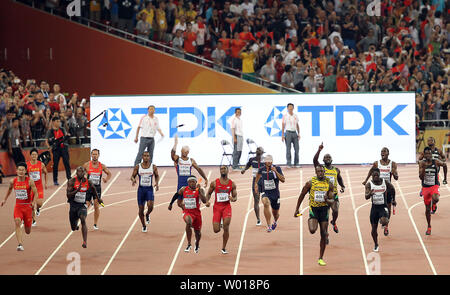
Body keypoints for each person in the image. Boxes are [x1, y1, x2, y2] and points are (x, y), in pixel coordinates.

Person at [294, 165, 334, 266]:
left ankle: (321, 258)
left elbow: (332, 200)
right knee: (312, 230)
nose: (320, 173)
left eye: (322, 171)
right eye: (318, 171)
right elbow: (302, 194)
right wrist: (296, 208)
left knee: (323, 234)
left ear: (324, 172)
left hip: (324, 210)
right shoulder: (310, 183)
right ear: (316, 172)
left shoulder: (329, 184)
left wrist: (326, 200)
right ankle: (312, 220)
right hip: (314, 210)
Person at [0, 162, 38, 251]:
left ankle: (29, 220)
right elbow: (9, 190)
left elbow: (36, 193)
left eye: (22, 170)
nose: (21, 171)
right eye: (19, 170)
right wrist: (4, 199)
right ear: (16, 170)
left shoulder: (30, 181)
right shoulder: (13, 181)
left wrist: (33, 202)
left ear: (25, 171)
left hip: (28, 207)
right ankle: (20, 244)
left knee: (28, 231)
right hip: (18, 207)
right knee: (17, 222)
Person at [362, 147, 398, 236]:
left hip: (387, 189)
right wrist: (366, 180)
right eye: (381, 152)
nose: (382, 153)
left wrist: (394, 173)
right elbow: (371, 171)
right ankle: (378, 216)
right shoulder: (376, 163)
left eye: (384, 152)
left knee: (388, 208)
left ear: (388, 153)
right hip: (378, 187)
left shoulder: (392, 164)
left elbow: (396, 177)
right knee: (377, 204)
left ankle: (386, 226)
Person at [168, 135, 208, 210]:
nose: (186, 152)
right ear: (181, 151)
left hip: (189, 183)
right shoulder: (178, 159)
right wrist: (175, 144)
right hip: (180, 183)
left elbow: (198, 169)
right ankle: (186, 210)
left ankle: (195, 207)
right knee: (179, 203)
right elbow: (172, 155)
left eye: (187, 151)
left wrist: (205, 178)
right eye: (184, 151)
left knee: (193, 198)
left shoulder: (191, 160)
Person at [313, 142, 345, 234]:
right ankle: (326, 234)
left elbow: (339, 178)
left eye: (329, 157)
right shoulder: (321, 168)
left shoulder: (336, 170)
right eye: (326, 157)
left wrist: (342, 186)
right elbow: (315, 160)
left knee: (335, 210)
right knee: (325, 216)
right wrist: (319, 150)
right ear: (323, 160)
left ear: (332, 160)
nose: (327, 158)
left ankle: (334, 222)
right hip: (324, 195)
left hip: (333, 194)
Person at [67, 166, 102, 248]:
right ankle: (76, 226)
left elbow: (94, 190)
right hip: (73, 205)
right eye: (79, 172)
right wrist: (77, 190)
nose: (80, 173)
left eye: (82, 172)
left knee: (83, 219)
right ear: (76, 173)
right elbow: (68, 195)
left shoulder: (88, 182)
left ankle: (85, 241)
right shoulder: (72, 181)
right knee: (73, 227)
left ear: (84, 173)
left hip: (82, 205)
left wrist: (98, 199)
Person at [206, 165, 237, 254]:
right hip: (217, 208)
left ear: (227, 170)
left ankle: (223, 247)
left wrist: (233, 199)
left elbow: (235, 197)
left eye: (224, 169)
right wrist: (206, 202)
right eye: (221, 169)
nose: (222, 170)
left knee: (226, 226)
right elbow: (208, 194)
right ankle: (220, 224)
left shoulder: (232, 184)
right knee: (216, 230)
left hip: (226, 207)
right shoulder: (214, 183)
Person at [364, 168, 395, 252]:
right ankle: (376, 244)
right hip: (374, 208)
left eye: (377, 175)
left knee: (385, 221)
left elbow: (392, 189)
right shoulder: (369, 184)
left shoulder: (385, 182)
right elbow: (366, 197)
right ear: (372, 176)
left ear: (379, 174)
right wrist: (370, 193)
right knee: (374, 229)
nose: (376, 177)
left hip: (383, 207)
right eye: (374, 175)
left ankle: (383, 220)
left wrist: (393, 200)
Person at [419, 147, 447, 235]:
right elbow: (420, 177)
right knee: (427, 210)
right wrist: (424, 168)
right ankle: (429, 226)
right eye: (426, 154)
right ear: (424, 155)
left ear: (431, 154)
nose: (428, 155)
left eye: (429, 153)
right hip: (426, 187)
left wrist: (445, 178)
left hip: (434, 185)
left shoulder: (436, 161)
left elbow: (445, 165)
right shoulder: (421, 163)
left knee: (436, 198)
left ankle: (434, 203)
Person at [254, 155, 285, 232]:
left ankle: (275, 221)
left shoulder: (277, 168)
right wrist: (256, 184)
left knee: (276, 214)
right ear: (265, 161)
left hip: (275, 194)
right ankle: (269, 225)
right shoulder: (262, 169)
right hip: (266, 192)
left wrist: (275, 171)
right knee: (265, 203)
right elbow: (257, 175)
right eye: (267, 160)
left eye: (270, 160)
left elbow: (283, 180)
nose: (269, 162)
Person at [130, 151, 160, 233]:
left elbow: (157, 175)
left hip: (149, 189)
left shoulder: (153, 167)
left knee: (151, 206)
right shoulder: (138, 167)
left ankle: (147, 214)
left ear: (149, 157)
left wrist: (157, 183)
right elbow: (132, 176)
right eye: (145, 156)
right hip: (141, 190)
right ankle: (143, 225)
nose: (146, 157)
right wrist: (133, 180)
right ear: (142, 157)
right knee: (140, 210)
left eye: (148, 156)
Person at [83, 149, 112, 230]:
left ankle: (95, 224)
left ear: (98, 155)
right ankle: (83, 221)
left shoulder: (101, 166)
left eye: (96, 154)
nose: (94, 156)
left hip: (97, 189)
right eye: (93, 154)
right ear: (91, 155)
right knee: (86, 205)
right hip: (88, 188)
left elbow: (109, 173)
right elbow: (79, 173)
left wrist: (106, 179)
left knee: (96, 205)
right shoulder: (87, 165)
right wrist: (83, 178)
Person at [177, 176, 207, 253]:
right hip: (187, 212)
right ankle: (189, 244)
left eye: (194, 181)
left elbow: (204, 201)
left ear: (196, 182)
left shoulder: (200, 190)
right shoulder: (184, 189)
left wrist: (199, 191)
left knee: (198, 233)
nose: (192, 183)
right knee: (188, 222)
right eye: (190, 181)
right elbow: (177, 195)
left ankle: (197, 243)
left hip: (197, 214)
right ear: (188, 183)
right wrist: (179, 204)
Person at [241, 146, 264, 225]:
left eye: (260, 150)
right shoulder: (252, 160)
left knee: (267, 200)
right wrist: (244, 169)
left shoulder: (265, 160)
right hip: (255, 182)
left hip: (264, 181)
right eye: (257, 149)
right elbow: (247, 165)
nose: (258, 150)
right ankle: (258, 219)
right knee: (256, 200)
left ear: (262, 153)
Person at [45, 116, 71, 186]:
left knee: (67, 163)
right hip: (56, 149)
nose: (59, 123)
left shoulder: (62, 129)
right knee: (55, 165)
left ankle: (69, 178)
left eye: (59, 121)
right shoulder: (50, 131)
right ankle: (55, 180)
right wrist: (48, 147)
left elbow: (65, 136)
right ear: (53, 122)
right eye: (57, 121)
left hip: (64, 148)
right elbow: (46, 140)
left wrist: (67, 136)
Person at [27, 148, 48, 226]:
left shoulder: (41, 164)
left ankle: (38, 208)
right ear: (30, 156)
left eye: (35, 154)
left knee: (39, 203)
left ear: (37, 155)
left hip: (39, 187)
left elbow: (46, 173)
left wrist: (46, 183)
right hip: (31, 188)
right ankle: (33, 220)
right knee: (31, 204)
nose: (34, 156)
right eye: (32, 155)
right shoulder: (27, 165)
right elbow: (24, 175)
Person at [281, 103, 300, 168]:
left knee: (297, 149)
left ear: (293, 108)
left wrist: (299, 133)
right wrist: (282, 135)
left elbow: (297, 125)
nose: (290, 108)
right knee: (288, 149)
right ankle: (289, 163)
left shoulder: (295, 116)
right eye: (289, 107)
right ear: (287, 108)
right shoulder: (285, 116)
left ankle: (296, 163)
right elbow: (283, 126)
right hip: (288, 133)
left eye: (291, 107)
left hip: (294, 133)